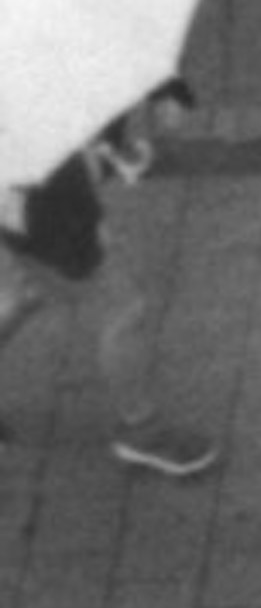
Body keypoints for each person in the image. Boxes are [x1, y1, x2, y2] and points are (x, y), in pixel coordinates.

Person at [0, 92, 215, 479]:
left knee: (28, 290)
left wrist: (114, 148)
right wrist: (96, 202)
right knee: (125, 308)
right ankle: (142, 431)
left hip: (17, 198)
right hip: (49, 207)